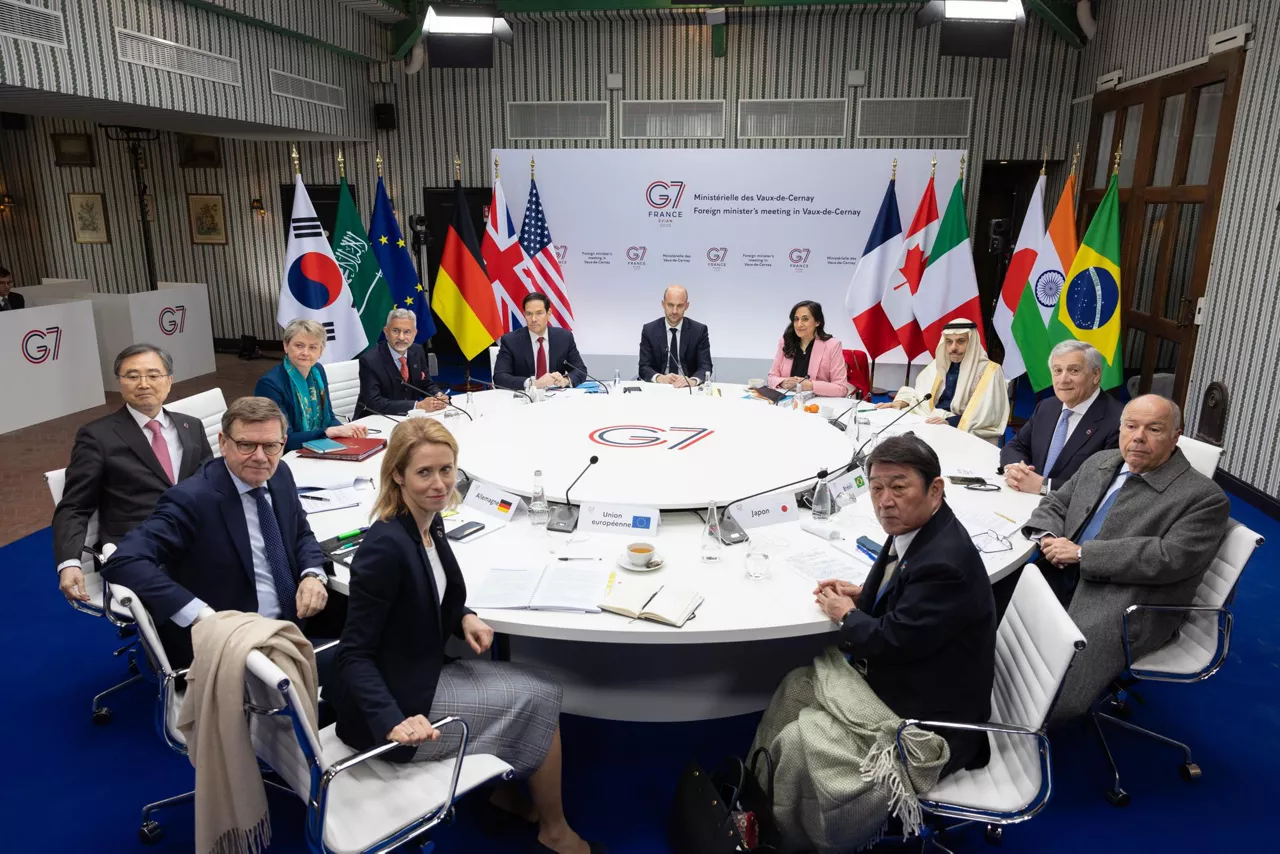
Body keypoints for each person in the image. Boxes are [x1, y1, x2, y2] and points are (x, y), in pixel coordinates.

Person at [330, 418, 604, 854]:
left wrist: (464, 617)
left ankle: (503, 794)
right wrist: (392, 720)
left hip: (417, 674)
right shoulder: (385, 547)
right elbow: (353, 654)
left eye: (447, 470)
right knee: (543, 693)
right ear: (397, 474)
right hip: (394, 710)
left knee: (536, 692)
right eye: (424, 473)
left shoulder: (427, 522)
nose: (439, 484)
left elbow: (430, 592)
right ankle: (553, 831)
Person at [1022, 395, 1231, 721]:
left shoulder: (1203, 498)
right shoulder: (1101, 462)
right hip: (1062, 572)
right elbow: (1057, 503)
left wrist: (1081, 553)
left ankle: (1022, 726)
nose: (1138, 437)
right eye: (1131, 426)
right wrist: (1049, 537)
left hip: (1129, 602)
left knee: (1049, 691)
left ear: (1176, 436)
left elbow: (1170, 557)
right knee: (989, 610)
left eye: (1154, 429)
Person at [103, 397, 339, 670]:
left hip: (294, 620)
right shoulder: (191, 499)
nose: (260, 457)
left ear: (283, 443)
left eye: (271, 446)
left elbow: (300, 531)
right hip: (234, 642)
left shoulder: (280, 472)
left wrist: (312, 574)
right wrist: (201, 615)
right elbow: (124, 561)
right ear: (223, 443)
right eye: (246, 445)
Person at [53, 344, 214, 604]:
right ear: (120, 382)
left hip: (195, 536)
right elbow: (74, 506)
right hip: (137, 547)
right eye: (132, 376)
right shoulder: (97, 436)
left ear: (169, 381)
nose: (143, 384)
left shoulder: (191, 426)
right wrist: (69, 562)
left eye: (153, 375)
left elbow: (210, 484)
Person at [1001, 341, 1123, 494]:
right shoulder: (1047, 407)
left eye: (1073, 370)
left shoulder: (1119, 421)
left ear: (1096, 375)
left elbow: (1105, 483)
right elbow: (1015, 446)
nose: (1063, 380)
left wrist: (1044, 486)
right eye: (1057, 371)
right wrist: (1016, 470)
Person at [879, 320, 1009, 443]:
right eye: (949, 342)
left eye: (961, 341)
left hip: (961, 428)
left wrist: (950, 422)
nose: (953, 348)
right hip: (932, 420)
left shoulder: (990, 371)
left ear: (972, 343)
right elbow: (921, 395)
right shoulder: (939, 363)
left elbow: (987, 415)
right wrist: (902, 401)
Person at [255, 318, 368, 452]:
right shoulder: (270, 385)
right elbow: (282, 439)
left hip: (320, 447)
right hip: (287, 455)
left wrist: (347, 431)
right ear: (285, 346)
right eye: (299, 345)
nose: (305, 353)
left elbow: (329, 417)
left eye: (313, 347)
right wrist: (329, 432)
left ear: (321, 351)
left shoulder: (318, 371)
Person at [356, 308, 448, 417]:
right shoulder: (369, 360)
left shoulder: (417, 351)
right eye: (395, 331)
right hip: (375, 420)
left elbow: (426, 384)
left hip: (410, 420)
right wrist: (416, 406)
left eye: (407, 332)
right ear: (386, 332)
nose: (401, 337)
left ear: (415, 334)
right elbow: (373, 402)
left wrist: (438, 395)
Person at [493, 292, 587, 391]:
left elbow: (580, 370)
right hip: (524, 398)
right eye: (529, 314)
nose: (533, 319)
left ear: (549, 314)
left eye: (539, 313)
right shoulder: (510, 341)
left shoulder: (564, 338)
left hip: (557, 398)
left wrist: (565, 380)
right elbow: (499, 377)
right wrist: (533, 384)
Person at [766, 300, 852, 397]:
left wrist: (811, 385)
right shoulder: (786, 341)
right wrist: (783, 382)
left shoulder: (832, 345)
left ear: (817, 322)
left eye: (805, 319)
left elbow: (841, 389)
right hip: (786, 401)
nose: (799, 324)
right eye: (796, 319)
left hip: (817, 404)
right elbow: (771, 378)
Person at [637, 285, 712, 386]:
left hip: (687, 389)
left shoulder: (699, 331)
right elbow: (643, 367)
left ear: (687, 306)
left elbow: (705, 366)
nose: (674, 311)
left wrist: (692, 381)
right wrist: (660, 378)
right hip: (659, 388)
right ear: (663, 304)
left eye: (680, 306)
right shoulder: (649, 330)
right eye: (670, 305)